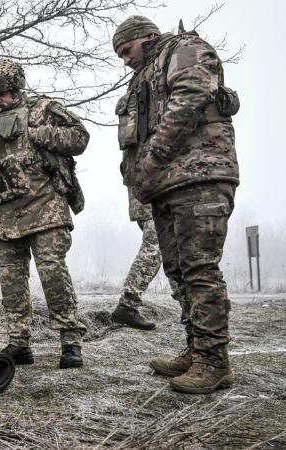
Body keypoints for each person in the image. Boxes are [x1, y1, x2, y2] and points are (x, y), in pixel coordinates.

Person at [112, 16, 240, 393]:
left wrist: (152, 158)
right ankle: (196, 349)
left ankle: (215, 362)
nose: (125, 59)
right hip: (166, 186)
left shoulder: (183, 49)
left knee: (200, 269)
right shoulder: (146, 74)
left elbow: (190, 99)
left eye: (127, 50)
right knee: (178, 272)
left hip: (199, 177)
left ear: (146, 37)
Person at [0, 58, 88, 369]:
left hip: (47, 209)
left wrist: (38, 132)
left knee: (52, 274)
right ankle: (19, 342)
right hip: (4, 217)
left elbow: (79, 139)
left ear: (17, 88)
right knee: (11, 280)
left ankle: (70, 341)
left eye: (1, 94)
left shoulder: (42, 110)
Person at [109, 188, 173, 330]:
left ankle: (191, 308)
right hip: (154, 198)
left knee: (174, 251)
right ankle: (127, 306)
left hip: (160, 199)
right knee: (154, 248)